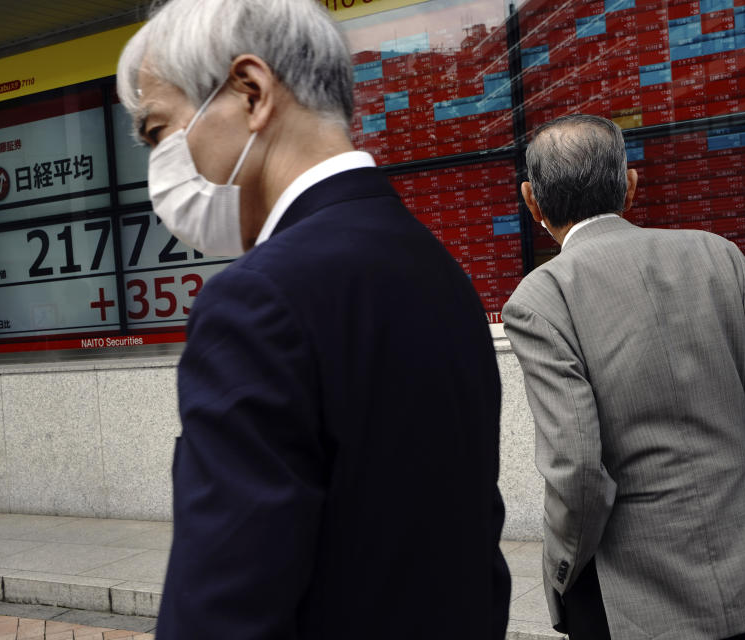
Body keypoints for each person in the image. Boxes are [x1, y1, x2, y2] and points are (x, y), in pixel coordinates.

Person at [116, 0, 510, 637]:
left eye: (159, 131)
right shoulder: (437, 267)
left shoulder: (256, 300)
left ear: (250, 92)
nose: (159, 164)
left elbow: (224, 609)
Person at [502, 114, 745, 640]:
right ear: (629, 184)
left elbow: (578, 468)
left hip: (636, 599)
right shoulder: (720, 256)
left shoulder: (540, 298)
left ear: (531, 200)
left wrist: (561, 571)